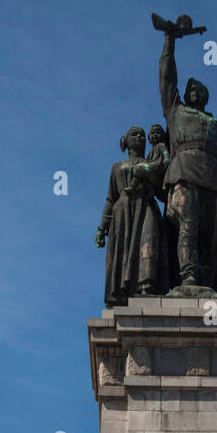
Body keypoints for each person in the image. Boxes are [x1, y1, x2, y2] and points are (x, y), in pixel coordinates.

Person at [156, 21, 217, 293]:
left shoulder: (216, 126)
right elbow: (166, 79)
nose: (193, 90)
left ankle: (207, 284)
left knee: (211, 238)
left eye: (199, 88)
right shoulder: (176, 112)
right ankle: (188, 278)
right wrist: (169, 41)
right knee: (188, 226)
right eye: (190, 88)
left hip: (214, 179)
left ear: (206, 96)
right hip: (184, 172)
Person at [94, 126, 169, 306]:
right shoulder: (117, 167)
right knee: (123, 249)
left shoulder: (152, 162)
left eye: (143, 135)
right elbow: (110, 199)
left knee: (148, 242)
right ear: (126, 141)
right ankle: (121, 292)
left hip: (147, 205)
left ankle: (147, 287)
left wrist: (149, 173)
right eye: (135, 134)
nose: (140, 137)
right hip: (123, 211)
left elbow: (162, 190)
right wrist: (101, 228)